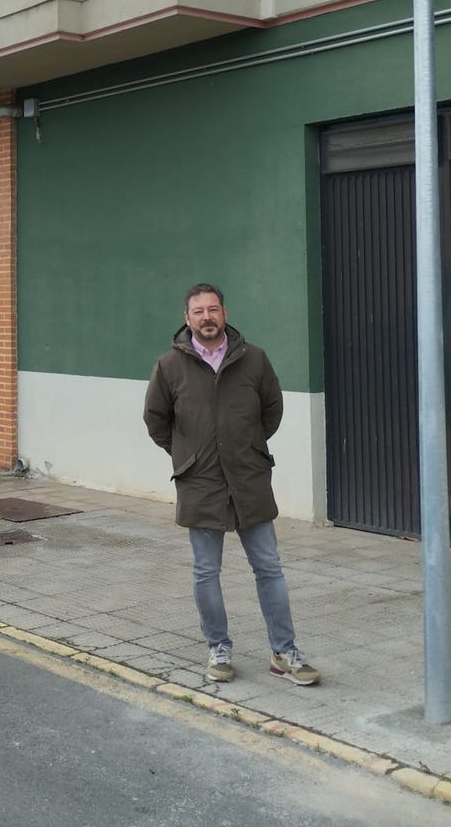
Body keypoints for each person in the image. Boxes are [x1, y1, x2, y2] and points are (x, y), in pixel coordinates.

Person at [143, 283, 320, 686]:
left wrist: (250, 447)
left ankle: (285, 652)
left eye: (213, 309)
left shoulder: (253, 359)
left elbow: (271, 409)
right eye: (198, 311)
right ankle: (218, 648)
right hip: (201, 483)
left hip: (249, 480)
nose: (207, 317)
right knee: (206, 571)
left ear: (224, 313)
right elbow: (156, 420)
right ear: (187, 318)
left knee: (270, 567)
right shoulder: (169, 365)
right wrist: (187, 455)